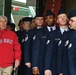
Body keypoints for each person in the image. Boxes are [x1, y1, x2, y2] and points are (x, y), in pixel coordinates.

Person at [44, 10, 69, 75]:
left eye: (64, 17)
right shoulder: (52, 34)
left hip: (69, 66)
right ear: (57, 21)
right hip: (55, 66)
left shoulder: (72, 33)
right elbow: (48, 52)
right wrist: (47, 68)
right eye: (60, 17)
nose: (63, 19)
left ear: (67, 19)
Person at [32, 10, 57, 75]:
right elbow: (36, 50)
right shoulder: (40, 32)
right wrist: (35, 65)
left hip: (56, 64)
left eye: (50, 18)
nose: (48, 20)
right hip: (42, 63)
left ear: (55, 19)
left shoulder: (59, 31)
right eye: (47, 18)